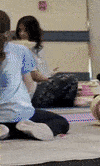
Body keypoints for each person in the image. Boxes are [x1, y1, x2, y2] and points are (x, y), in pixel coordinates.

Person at [0, 10, 69, 141]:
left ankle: (5, 129)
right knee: (61, 122)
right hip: (19, 112)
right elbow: (30, 86)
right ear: (9, 32)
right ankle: (18, 129)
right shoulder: (21, 50)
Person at [14, 15, 51, 95]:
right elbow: (34, 75)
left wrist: (50, 76)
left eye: (25, 31)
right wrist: (50, 80)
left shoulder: (38, 49)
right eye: (20, 30)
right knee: (68, 80)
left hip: (40, 85)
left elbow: (43, 70)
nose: (22, 34)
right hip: (31, 91)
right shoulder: (20, 49)